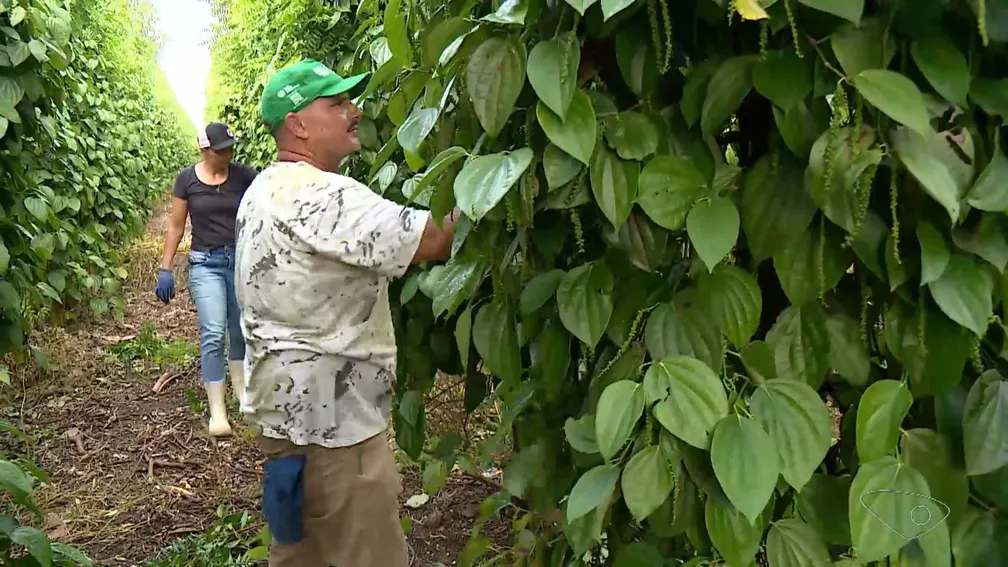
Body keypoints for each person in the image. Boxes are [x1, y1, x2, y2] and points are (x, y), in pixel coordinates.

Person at [233, 59, 459, 566]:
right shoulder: (321, 195)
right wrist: (495, 175)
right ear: (298, 124)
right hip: (337, 433)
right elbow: (436, 240)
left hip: (281, 423)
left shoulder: (259, 192)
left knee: (297, 554)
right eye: (335, 104)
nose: (353, 112)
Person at [156, 122, 259, 437]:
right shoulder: (187, 180)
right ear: (204, 149)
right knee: (214, 332)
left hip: (240, 262)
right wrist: (166, 267)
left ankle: (242, 393)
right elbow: (176, 225)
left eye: (230, 148)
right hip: (206, 264)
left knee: (240, 329)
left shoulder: (244, 176)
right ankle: (217, 412)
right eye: (220, 150)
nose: (227, 154)